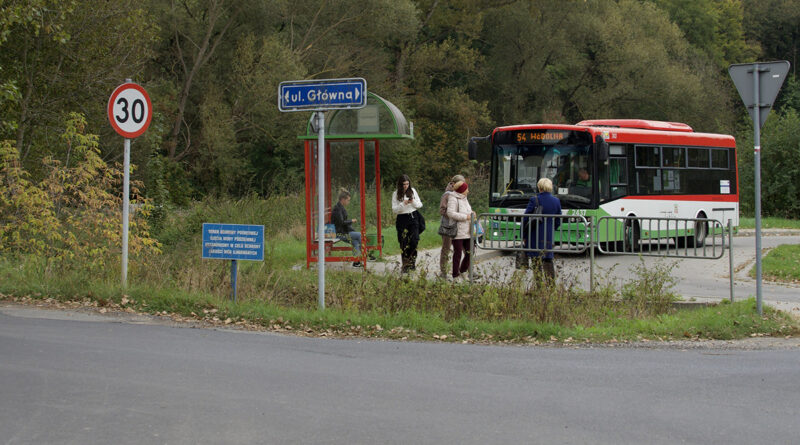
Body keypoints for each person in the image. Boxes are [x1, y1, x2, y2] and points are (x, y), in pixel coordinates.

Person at [523, 177, 562, 282]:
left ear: (539, 187)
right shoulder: (556, 201)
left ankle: (539, 286)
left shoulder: (534, 200)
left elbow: (526, 219)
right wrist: (552, 229)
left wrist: (524, 235)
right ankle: (551, 285)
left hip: (534, 234)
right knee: (548, 259)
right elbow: (558, 220)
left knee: (536, 261)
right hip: (548, 235)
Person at [391, 174, 423, 273]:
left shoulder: (413, 191)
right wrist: (403, 204)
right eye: (404, 184)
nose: (406, 186)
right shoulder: (396, 194)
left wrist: (412, 202)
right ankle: (405, 265)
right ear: (400, 184)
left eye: (407, 184)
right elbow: (394, 210)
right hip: (402, 218)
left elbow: (419, 205)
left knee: (414, 241)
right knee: (403, 242)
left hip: (413, 217)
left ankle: (412, 263)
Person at [446, 180, 476, 281]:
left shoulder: (465, 198)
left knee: (470, 251)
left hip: (467, 230)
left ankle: (463, 271)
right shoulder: (453, 198)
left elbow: (467, 210)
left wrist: (472, 213)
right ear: (462, 190)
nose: (468, 191)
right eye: (466, 189)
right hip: (457, 230)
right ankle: (455, 275)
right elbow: (450, 213)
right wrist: (466, 217)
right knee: (457, 253)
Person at [439, 174, 465, 278]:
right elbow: (442, 210)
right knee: (446, 248)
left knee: (464, 248)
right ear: (453, 183)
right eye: (460, 184)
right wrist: (454, 215)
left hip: (460, 226)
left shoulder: (461, 193)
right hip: (448, 226)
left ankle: (465, 269)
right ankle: (443, 271)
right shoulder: (447, 195)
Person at [331, 189, 363, 267]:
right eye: (348, 200)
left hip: (343, 232)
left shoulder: (340, 207)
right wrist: (351, 221)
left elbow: (342, 222)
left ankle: (356, 261)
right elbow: (341, 222)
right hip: (339, 234)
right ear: (343, 199)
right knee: (360, 235)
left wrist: (350, 224)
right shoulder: (337, 209)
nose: (348, 202)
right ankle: (367, 254)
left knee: (355, 241)